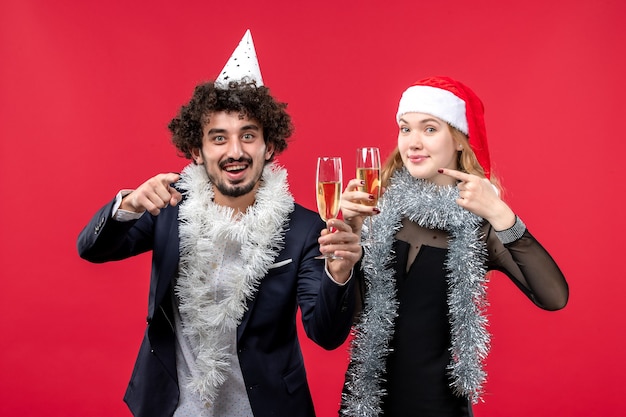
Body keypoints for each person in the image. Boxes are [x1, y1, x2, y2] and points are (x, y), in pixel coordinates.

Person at [77, 30, 362, 417]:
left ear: (269, 146)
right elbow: (92, 250)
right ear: (197, 150)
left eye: (248, 135)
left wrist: (340, 273)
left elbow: (326, 335)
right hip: (173, 407)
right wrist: (128, 204)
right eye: (219, 138)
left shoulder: (304, 229)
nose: (235, 151)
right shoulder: (169, 205)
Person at [339, 76, 569, 417]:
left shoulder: (480, 226)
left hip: (439, 408)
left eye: (429, 129)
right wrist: (349, 241)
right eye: (405, 129)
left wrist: (499, 213)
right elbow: (351, 318)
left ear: (459, 140)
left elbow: (554, 297)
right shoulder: (379, 208)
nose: (413, 142)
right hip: (364, 404)